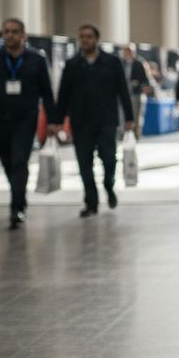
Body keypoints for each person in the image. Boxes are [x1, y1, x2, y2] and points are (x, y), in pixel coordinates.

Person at [0, 18, 56, 229]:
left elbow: (47, 93)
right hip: (0, 120)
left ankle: (16, 207)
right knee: (8, 163)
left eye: (15, 32)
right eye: (6, 32)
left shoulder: (36, 60)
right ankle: (19, 197)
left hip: (26, 120)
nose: (10, 35)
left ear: (23, 35)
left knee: (19, 161)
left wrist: (53, 120)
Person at [53, 23, 135, 218]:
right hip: (80, 122)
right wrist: (57, 121)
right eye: (82, 37)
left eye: (89, 36)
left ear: (97, 40)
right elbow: (63, 94)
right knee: (84, 163)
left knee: (109, 158)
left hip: (107, 120)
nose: (85, 40)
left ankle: (109, 185)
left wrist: (129, 118)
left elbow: (123, 91)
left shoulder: (112, 63)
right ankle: (91, 201)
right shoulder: (72, 65)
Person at [120, 44, 153, 138]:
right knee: (122, 115)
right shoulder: (121, 63)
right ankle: (123, 134)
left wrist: (138, 84)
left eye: (129, 51)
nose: (127, 53)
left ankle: (135, 134)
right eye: (126, 51)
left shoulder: (139, 63)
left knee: (136, 115)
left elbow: (145, 80)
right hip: (123, 94)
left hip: (136, 93)